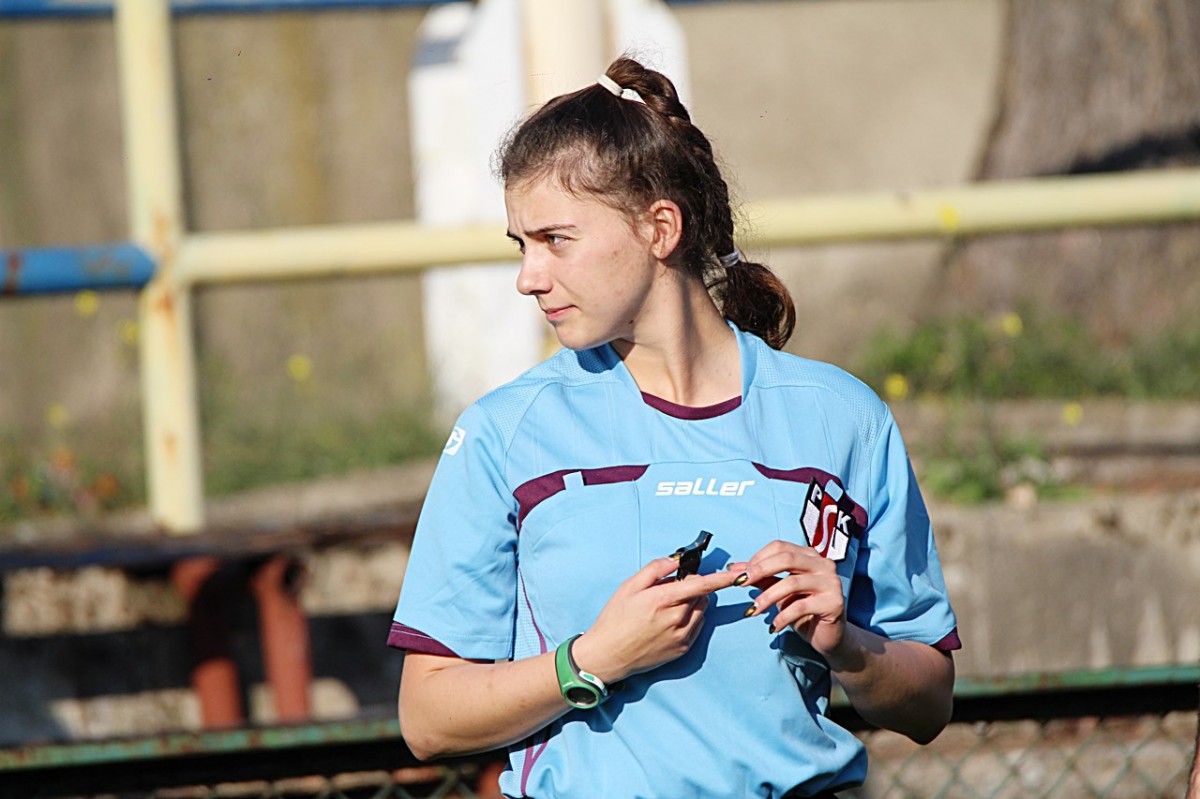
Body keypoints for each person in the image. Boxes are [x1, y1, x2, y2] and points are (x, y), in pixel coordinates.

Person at [388, 56, 960, 798]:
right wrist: (592, 659)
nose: (529, 277)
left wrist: (846, 643)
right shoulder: (504, 434)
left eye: (555, 240)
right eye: (520, 245)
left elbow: (929, 702)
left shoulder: (843, 418)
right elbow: (427, 717)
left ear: (660, 228)